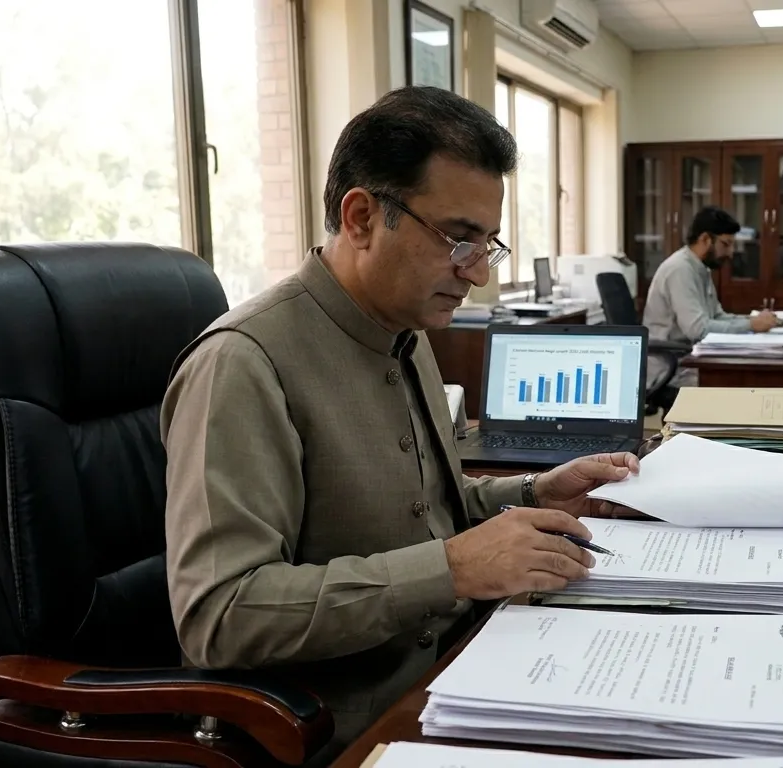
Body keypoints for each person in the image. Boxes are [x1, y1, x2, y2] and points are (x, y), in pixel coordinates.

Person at [160, 86, 639, 752]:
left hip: (463, 665)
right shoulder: (242, 363)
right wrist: (450, 570)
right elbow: (220, 615)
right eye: (458, 240)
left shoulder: (404, 332)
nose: (477, 275)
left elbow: (416, 509)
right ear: (361, 218)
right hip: (350, 725)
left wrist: (535, 492)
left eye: (487, 245)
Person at [643, 206, 779, 386]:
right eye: (726, 244)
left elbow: (717, 316)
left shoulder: (700, 269)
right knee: (742, 382)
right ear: (705, 239)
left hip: (692, 358)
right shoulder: (680, 270)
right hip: (672, 369)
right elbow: (698, 330)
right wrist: (751, 325)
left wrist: (754, 320)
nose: (730, 253)